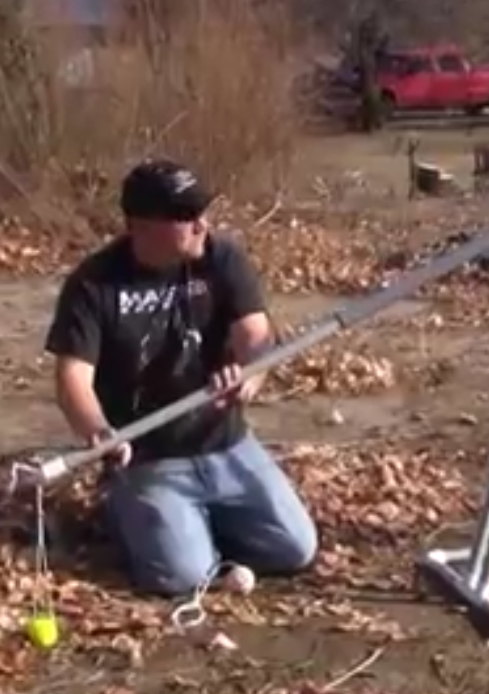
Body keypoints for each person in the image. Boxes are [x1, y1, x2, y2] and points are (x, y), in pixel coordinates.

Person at [43, 159, 318, 596]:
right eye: (186, 216)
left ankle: (193, 524)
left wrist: (248, 376)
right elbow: (72, 377)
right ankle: (126, 507)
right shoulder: (95, 284)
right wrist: (98, 432)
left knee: (293, 549)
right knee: (183, 578)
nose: (201, 224)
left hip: (226, 443)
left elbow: (256, 334)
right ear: (141, 226)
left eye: (201, 212)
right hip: (149, 458)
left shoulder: (221, 257)